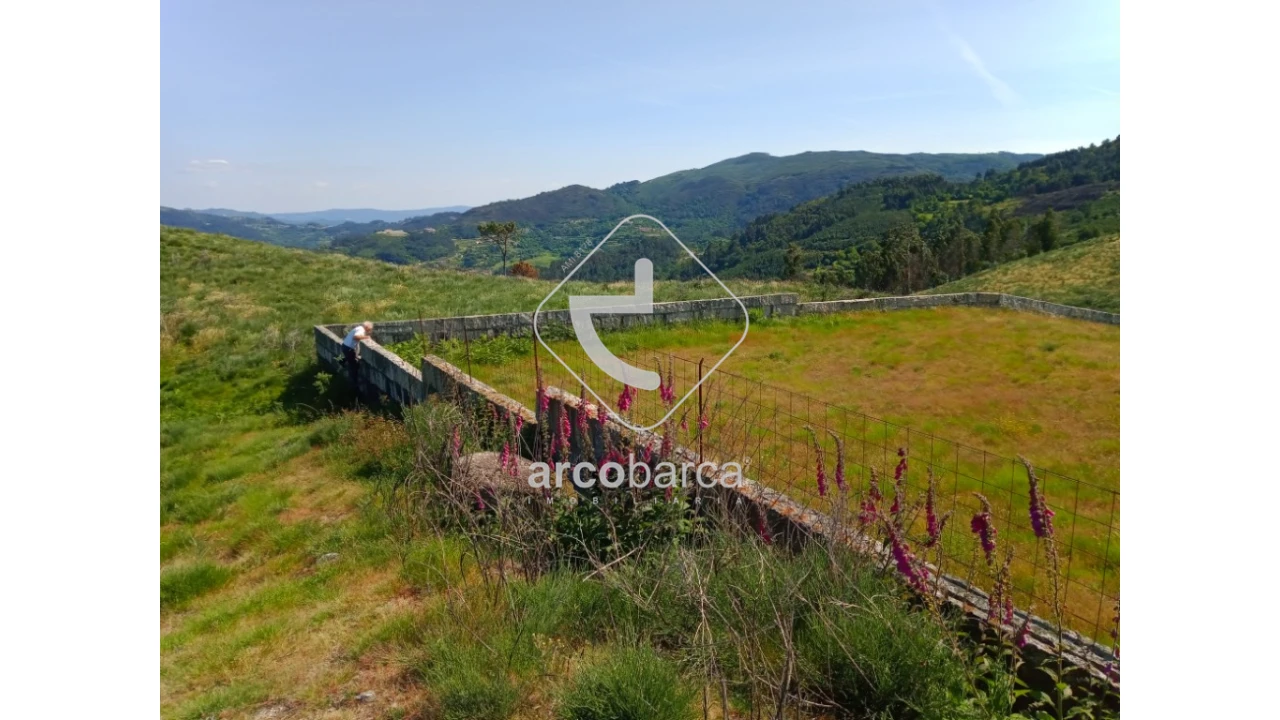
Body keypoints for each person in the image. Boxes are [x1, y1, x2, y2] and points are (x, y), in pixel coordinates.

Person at [341, 321, 373, 387]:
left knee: (352, 361)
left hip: (345, 346)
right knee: (354, 365)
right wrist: (366, 337)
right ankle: (354, 383)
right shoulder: (361, 330)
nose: (369, 331)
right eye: (369, 329)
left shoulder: (359, 328)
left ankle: (344, 362)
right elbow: (355, 337)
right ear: (366, 327)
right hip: (348, 349)